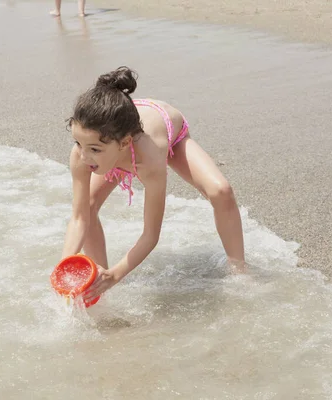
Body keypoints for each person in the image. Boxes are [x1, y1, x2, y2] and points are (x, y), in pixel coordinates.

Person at [61, 67, 246, 304]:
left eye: (93, 150)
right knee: (88, 204)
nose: (84, 157)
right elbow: (79, 218)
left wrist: (118, 274)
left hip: (168, 132)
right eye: (78, 143)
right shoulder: (84, 153)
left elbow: (151, 235)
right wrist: (65, 265)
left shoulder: (149, 160)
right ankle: (100, 286)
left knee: (221, 191)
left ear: (124, 143)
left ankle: (241, 274)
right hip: (115, 131)